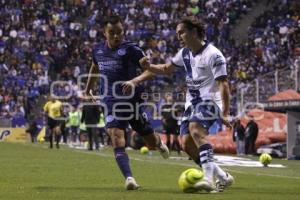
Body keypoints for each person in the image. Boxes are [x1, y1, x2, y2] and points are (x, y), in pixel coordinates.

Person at [139, 16, 234, 193]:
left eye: (182, 32)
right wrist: (149, 66)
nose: (179, 36)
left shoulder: (213, 54)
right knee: (186, 144)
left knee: (196, 129)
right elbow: (167, 69)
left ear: (194, 31)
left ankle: (208, 179)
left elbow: (224, 84)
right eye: (177, 33)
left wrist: (225, 112)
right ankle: (223, 177)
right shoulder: (184, 53)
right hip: (191, 104)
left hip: (211, 100)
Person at [84, 15, 169, 190]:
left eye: (119, 33)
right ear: (104, 33)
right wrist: (87, 89)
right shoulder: (98, 50)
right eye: (112, 33)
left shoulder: (132, 50)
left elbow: (150, 72)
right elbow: (94, 67)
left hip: (132, 100)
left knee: (150, 141)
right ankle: (129, 178)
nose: (116, 36)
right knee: (116, 136)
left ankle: (159, 144)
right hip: (110, 99)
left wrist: (134, 81)